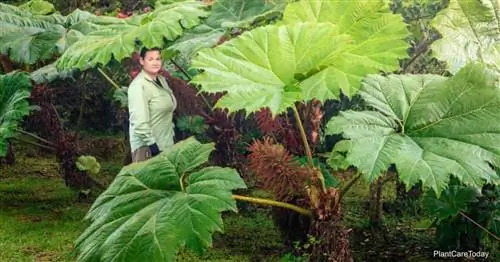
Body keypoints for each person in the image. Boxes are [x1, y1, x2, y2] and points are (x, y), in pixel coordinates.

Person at [128, 47, 177, 163]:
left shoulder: (162, 80)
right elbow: (139, 123)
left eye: (158, 59)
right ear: (141, 61)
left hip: (166, 145)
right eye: (150, 59)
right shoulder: (139, 86)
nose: (155, 62)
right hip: (148, 150)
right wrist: (153, 147)